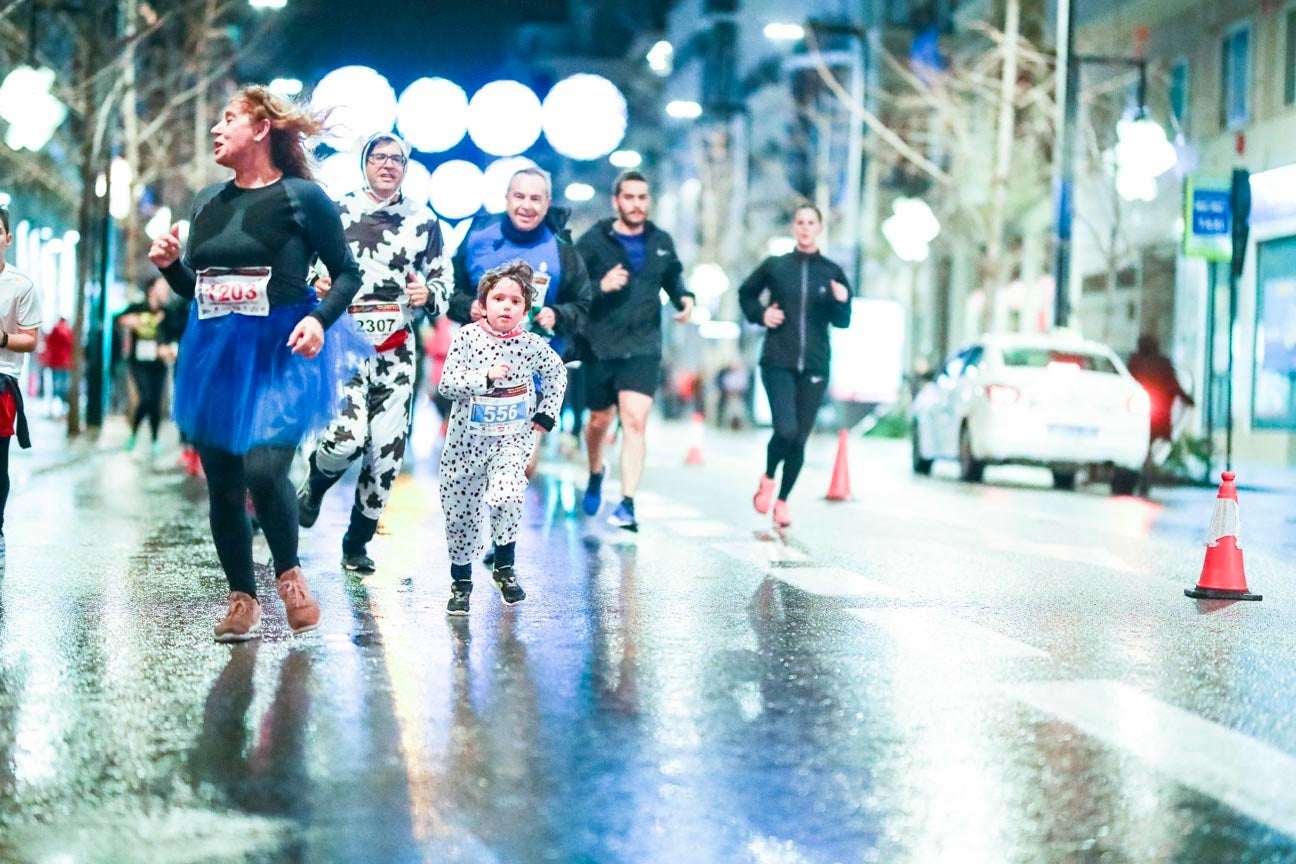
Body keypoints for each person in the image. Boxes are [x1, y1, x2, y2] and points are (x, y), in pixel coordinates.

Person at [148, 85, 370, 643]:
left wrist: (319, 320)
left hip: (284, 350)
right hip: (214, 354)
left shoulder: (302, 198)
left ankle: (289, 574)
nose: (217, 130)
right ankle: (241, 600)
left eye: (229, 119)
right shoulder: (205, 202)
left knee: (265, 469)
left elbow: (347, 273)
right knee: (223, 483)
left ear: (262, 128)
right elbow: (193, 289)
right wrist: (173, 267)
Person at [296, 131, 451, 573]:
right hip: (343, 343)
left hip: (397, 351)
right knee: (345, 443)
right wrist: (314, 286)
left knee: (385, 453)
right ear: (364, 162)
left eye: (397, 159)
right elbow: (303, 268)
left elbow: (444, 282)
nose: (388, 164)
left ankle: (355, 543)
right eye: (379, 157)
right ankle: (316, 484)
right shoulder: (336, 212)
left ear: (406, 167)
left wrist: (429, 293)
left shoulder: (424, 220)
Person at [438, 260, 567, 616]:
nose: (506, 306)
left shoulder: (532, 345)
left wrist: (546, 411)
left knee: (508, 492)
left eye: (515, 301)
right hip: (465, 447)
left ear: (526, 309)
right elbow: (446, 384)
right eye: (498, 299)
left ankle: (505, 568)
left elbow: (556, 375)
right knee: (461, 519)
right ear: (483, 304)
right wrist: (484, 377)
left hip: (512, 442)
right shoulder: (466, 337)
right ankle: (461, 583)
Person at [447, 166, 590, 480]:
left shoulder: (562, 250)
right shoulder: (477, 237)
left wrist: (558, 315)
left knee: (520, 467)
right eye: (520, 196)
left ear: (548, 202)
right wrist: (467, 306)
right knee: (475, 468)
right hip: (478, 371)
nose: (527, 205)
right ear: (506, 198)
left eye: (536, 198)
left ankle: (504, 526)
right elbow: (449, 292)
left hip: (531, 377)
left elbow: (582, 304)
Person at [574, 170, 693, 532]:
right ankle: (596, 470)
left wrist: (684, 298)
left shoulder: (661, 240)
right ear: (617, 201)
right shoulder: (594, 241)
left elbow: (673, 278)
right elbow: (572, 288)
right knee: (598, 422)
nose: (637, 204)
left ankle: (627, 503)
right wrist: (601, 285)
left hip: (644, 345)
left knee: (635, 420)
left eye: (642, 198)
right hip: (600, 345)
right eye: (630, 197)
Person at [738, 204, 851, 528]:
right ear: (794, 227)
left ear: (819, 229)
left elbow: (843, 322)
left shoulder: (832, 272)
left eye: (811, 223)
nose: (805, 228)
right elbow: (746, 294)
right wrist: (762, 315)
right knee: (785, 429)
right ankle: (769, 476)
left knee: (799, 439)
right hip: (778, 361)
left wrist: (841, 300)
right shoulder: (776, 266)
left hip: (815, 365)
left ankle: (783, 500)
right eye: (800, 222)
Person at [0, 205, 40, 573]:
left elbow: (30, 340)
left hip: (1, 382)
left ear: (7, 239)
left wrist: (1, 338)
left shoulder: (20, 285)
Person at [116, 275, 186, 454]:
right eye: (162, 286)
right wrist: (128, 321)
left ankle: (154, 439)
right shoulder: (137, 308)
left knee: (155, 401)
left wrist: (169, 349)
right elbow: (118, 319)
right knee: (145, 398)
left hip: (158, 363)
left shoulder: (168, 311)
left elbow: (175, 334)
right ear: (152, 289)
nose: (165, 290)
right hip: (139, 362)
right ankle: (133, 434)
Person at [1127, 332, 1195, 494]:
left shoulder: (1135, 362)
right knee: (1148, 445)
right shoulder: (1159, 363)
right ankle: (1144, 473)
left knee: (1146, 445)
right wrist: (1187, 399)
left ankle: (1143, 473)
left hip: (1145, 412)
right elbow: (1173, 385)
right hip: (1155, 413)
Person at [40, 316, 73, 417]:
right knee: (64, 385)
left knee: (55, 385)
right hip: (65, 363)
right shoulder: (68, 331)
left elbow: (49, 343)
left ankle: (53, 408)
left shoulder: (55, 329)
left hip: (55, 362)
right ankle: (63, 408)